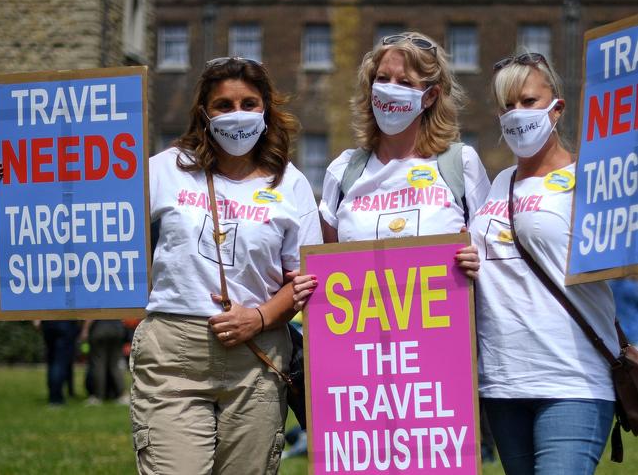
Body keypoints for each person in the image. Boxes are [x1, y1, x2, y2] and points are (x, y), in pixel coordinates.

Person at [129, 57, 322, 475]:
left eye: (249, 103)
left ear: (266, 110)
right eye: (224, 105)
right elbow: (92, 206)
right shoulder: (166, 169)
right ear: (204, 112)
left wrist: (260, 316)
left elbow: (306, 279)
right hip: (173, 355)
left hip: (257, 359)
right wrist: (10, 181)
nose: (237, 114)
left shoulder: (291, 184)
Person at [469, 52, 618, 474]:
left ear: (558, 107)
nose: (517, 114)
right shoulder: (498, 184)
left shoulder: (591, 180)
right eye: (507, 105)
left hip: (572, 377)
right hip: (503, 381)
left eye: (529, 101)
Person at [294, 31, 489, 304]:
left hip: (441, 339)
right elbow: (322, 269)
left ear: (431, 96)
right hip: (361, 340)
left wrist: (478, 261)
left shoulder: (461, 164)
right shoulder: (343, 171)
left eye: (405, 82)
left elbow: (494, 261)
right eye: (383, 79)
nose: (390, 88)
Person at [81, 319, 128, 405]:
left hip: (100, 329)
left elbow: (92, 314)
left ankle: (98, 396)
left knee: (98, 364)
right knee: (115, 365)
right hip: (117, 329)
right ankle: (122, 395)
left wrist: (85, 329)